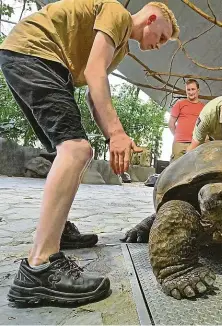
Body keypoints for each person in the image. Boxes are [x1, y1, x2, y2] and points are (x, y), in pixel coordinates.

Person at [0, 0, 179, 304]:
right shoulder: (119, 15)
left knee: (66, 152)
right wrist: (118, 132)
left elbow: (93, 96)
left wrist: (114, 135)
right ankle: (40, 265)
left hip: (35, 58)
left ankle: (57, 230)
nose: (159, 45)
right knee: (76, 149)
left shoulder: (120, 47)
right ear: (151, 18)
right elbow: (95, 71)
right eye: (162, 37)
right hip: (38, 54)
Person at [168, 79, 204, 161]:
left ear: (198, 90)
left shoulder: (203, 107)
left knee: (195, 171)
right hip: (179, 144)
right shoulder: (179, 104)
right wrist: (177, 136)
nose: (190, 92)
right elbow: (171, 124)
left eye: (193, 89)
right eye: (188, 90)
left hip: (196, 144)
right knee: (176, 170)